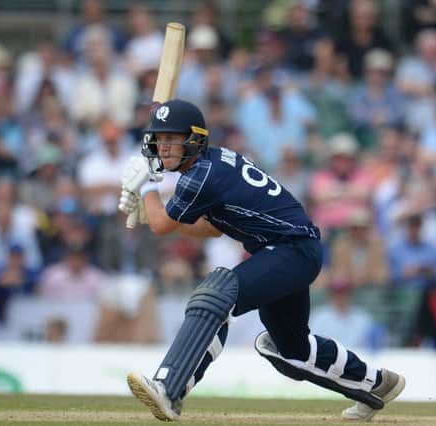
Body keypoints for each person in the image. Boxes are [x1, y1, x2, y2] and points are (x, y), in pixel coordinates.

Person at [118, 99, 405, 422]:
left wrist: (147, 188)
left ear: (194, 139)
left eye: (173, 138)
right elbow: (210, 229)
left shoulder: (200, 175)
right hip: (293, 251)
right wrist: (152, 204)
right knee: (290, 349)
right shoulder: (211, 165)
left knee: (217, 294)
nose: (164, 147)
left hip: (290, 250)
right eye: (161, 139)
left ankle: (169, 388)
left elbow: (161, 225)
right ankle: (377, 382)